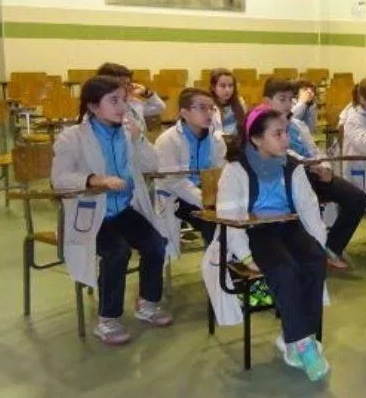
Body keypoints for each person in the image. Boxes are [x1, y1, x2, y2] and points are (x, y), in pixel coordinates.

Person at [211, 105, 330, 380]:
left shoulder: (292, 166)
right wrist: (246, 258)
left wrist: (319, 242)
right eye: (278, 134)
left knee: (314, 259)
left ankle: (297, 338)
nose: (286, 139)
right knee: (285, 270)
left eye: (286, 132)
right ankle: (301, 344)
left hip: (287, 227)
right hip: (253, 231)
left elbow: (309, 208)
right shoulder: (236, 170)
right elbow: (230, 218)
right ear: (256, 139)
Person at [51, 75, 171, 346]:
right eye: (113, 101)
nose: (121, 107)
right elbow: (59, 179)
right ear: (93, 107)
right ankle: (108, 319)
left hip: (122, 210)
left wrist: (140, 140)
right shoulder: (72, 137)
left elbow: (153, 165)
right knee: (117, 251)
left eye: (124, 100)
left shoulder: (128, 133)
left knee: (155, 244)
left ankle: (148, 303)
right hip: (93, 213)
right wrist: (95, 179)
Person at [264, 77, 366, 269]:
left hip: (314, 173)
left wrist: (326, 167)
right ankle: (301, 252)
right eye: (282, 99)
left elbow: (314, 150)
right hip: (285, 179)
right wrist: (310, 164)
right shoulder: (262, 127)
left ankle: (332, 247)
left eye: (290, 100)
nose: (287, 105)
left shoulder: (297, 125)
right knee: (302, 206)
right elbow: (284, 153)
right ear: (267, 102)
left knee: (357, 198)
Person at [154, 87, 225, 249]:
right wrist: (206, 201)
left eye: (211, 108)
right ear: (184, 113)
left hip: (209, 194)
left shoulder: (216, 140)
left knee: (234, 217)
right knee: (213, 223)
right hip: (177, 197)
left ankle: (231, 263)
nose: (209, 113)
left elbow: (220, 172)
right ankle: (216, 266)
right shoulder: (167, 140)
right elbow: (174, 181)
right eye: (201, 108)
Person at [96, 62, 165, 140]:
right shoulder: (100, 110)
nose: (126, 88)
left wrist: (146, 92)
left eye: (128, 84)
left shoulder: (134, 103)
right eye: (122, 84)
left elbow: (159, 107)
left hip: (139, 147)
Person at [209, 68, 247, 140]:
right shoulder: (209, 106)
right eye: (223, 86)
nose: (227, 90)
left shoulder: (240, 101)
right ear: (213, 88)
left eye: (230, 86)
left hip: (238, 143)